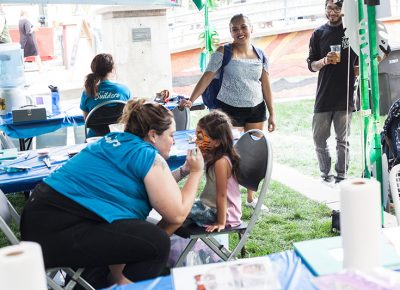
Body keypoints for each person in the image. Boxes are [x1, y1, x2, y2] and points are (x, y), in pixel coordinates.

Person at [20, 99, 204, 288]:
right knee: (155, 244)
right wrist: (197, 172)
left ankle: (114, 282)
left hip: (42, 220)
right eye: (171, 135)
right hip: (58, 228)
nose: (173, 141)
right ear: (153, 135)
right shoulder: (146, 154)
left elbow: (159, 188)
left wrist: (183, 170)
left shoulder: (115, 141)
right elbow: (178, 213)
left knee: (140, 236)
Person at [180, 13, 275, 210]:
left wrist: (272, 113)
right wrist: (191, 99)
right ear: (230, 32)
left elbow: (266, 84)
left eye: (243, 27)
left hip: (256, 109)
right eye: (234, 29)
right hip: (229, 108)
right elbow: (207, 77)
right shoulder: (224, 51)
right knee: (230, 153)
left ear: (251, 29)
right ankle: (227, 197)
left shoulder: (261, 54)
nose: (239, 32)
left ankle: (250, 197)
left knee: (252, 153)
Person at [307, 0, 357, 184]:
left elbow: (361, 59)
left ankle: (341, 176)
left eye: (337, 8)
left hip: (344, 96)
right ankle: (325, 175)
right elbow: (311, 65)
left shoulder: (350, 31)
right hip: (323, 96)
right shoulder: (318, 34)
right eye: (329, 8)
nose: (332, 12)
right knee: (319, 139)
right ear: (325, 9)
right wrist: (324, 61)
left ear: (343, 10)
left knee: (342, 140)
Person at [188, 110, 241, 232]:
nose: (196, 142)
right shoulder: (213, 156)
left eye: (200, 138)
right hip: (210, 206)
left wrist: (221, 222)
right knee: (176, 206)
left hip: (223, 213)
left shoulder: (221, 162)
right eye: (196, 137)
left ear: (217, 142)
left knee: (177, 211)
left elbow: (222, 194)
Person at [80, 53, 131, 119]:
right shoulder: (124, 90)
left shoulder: (87, 93)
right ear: (112, 70)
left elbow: (86, 120)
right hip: (119, 129)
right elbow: (130, 116)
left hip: (96, 129)